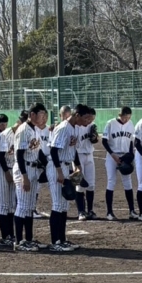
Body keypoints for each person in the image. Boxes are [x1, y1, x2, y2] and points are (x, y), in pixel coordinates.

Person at [47, 104, 95, 251]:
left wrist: (78, 167)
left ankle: (62, 240)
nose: (87, 121)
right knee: (57, 205)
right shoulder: (63, 128)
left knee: (64, 205)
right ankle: (55, 242)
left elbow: (73, 151)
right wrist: (59, 172)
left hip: (67, 167)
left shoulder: (74, 128)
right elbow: (54, 151)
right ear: (77, 115)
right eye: (85, 118)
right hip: (57, 167)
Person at [13, 104, 49, 251]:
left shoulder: (36, 129)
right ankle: (18, 242)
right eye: (41, 114)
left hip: (34, 169)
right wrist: (24, 176)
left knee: (29, 207)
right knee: (22, 207)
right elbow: (19, 155)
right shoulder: (23, 130)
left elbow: (39, 151)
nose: (43, 117)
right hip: (24, 170)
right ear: (32, 114)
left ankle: (28, 239)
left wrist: (48, 166)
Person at [0, 112, 25, 244]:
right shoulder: (5, 134)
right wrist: (7, 173)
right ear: (20, 122)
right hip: (2, 169)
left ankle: (11, 235)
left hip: (13, 168)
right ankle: (4, 236)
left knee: (12, 205)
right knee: (3, 205)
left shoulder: (22, 133)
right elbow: (1, 156)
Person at [102, 106, 137, 220]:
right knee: (111, 181)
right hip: (112, 156)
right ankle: (109, 212)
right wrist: (113, 154)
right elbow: (104, 141)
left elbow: (131, 141)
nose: (126, 120)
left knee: (128, 183)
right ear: (120, 115)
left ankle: (132, 211)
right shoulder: (110, 123)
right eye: (124, 117)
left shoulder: (130, 124)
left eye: (128, 117)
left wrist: (130, 155)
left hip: (125, 156)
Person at [74, 115, 99, 220]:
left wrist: (94, 138)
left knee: (91, 185)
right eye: (88, 118)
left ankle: (90, 210)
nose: (90, 120)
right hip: (77, 156)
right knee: (79, 185)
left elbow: (95, 140)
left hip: (89, 155)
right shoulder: (76, 126)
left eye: (92, 119)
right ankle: (81, 211)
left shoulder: (92, 125)